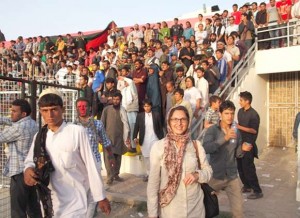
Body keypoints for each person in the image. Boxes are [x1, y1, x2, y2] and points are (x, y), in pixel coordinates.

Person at [24, 88, 111, 217]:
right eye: (45, 111)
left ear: (62, 110)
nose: (50, 115)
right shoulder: (40, 137)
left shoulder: (77, 132)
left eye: (54, 109)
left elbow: (91, 165)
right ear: (40, 112)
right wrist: (28, 170)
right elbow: (30, 160)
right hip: (50, 202)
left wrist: (100, 196)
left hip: (76, 201)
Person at [147, 105, 212, 218]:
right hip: (171, 210)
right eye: (175, 119)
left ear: (188, 121)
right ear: (169, 121)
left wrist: (197, 175)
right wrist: (152, 214)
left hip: (195, 209)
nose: (179, 123)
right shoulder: (159, 147)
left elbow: (208, 171)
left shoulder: (196, 146)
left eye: (183, 119)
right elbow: (153, 185)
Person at [203, 100, 252, 217]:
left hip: (231, 177)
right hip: (215, 176)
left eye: (232, 113)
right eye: (226, 113)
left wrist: (243, 149)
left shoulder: (236, 132)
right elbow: (206, 148)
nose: (230, 117)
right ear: (220, 114)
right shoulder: (212, 130)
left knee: (239, 212)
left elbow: (237, 154)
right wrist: (224, 138)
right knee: (204, 208)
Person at [0, 99, 42, 217]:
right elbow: (10, 120)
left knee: (17, 211)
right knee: (33, 207)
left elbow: (1, 137)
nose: (11, 114)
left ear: (23, 114)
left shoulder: (19, 128)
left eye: (14, 111)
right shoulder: (33, 123)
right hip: (30, 170)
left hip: (19, 173)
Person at [75, 97, 114, 218]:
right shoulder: (72, 126)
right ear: (76, 109)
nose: (82, 109)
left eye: (84, 106)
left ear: (89, 108)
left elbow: (105, 141)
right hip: (79, 164)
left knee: (93, 193)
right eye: (79, 107)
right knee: (80, 192)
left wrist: (111, 157)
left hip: (94, 161)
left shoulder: (97, 124)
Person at [237, 91, 263, 199]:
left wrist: (239, 127)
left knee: (248, 168)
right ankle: (247, 186)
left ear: (247, 101)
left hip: (249, 144)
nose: (239, 102)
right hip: (240, 143)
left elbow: (254, 131)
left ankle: (257, 190)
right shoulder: (239, 111)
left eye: (241, 100)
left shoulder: (254, 114)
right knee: (240, 167)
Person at [101, 92, 131, 185]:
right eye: (114, 99)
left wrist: (127, 137)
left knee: (118, 157)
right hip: (108, 138)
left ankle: (116, 175)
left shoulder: (123, 110)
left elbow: (126, 124)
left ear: (120, 100)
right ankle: (110, 177)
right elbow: (102, 124)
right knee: (108, 158)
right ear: (112, 100)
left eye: (117, 99)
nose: (115, 101)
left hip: (119, 137)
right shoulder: (106, 110)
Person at [133, 99, 164, 182]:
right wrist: (135, 137)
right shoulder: (140, 116)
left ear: (151, 106)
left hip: (155, 138)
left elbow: (160, 128)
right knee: (146, 157)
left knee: (156, 156)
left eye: (148, 106)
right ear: (143, 107)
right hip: (144, 139)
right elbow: (136, 127)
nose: (147, 108)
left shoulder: (156, 114)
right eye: (145, 106)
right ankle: (148, 174)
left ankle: (156, 174)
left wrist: (162, 139)